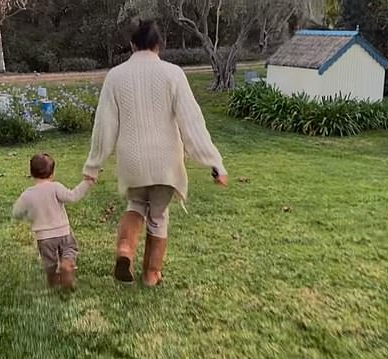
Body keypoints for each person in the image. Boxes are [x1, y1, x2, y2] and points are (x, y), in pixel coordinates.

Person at [83, 21, 228, 287]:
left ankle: (125, 251)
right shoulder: (173, 74)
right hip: (166, 163)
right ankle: (151, 275)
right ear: (159, 45)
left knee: (136, 205)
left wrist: (93, 166)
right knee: (158, 216)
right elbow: (192, 123)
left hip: (132, 161)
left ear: (132, 45)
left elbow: (104, 126)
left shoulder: (115, 76)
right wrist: (214, 162)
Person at [13, 153, 95, 290]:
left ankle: (52, 281)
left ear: (31, 173)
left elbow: (16, 212)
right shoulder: (55, 187)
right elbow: (73, 196)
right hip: (63, 231)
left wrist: (27, 215)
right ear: (52, 174)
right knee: (69, 249)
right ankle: (66, 264)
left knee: (49, 263)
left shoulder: (28, 194)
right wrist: (87, 183)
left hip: (44, 237)